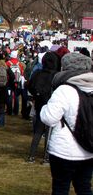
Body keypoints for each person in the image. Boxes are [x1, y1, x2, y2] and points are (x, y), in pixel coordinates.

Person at [40, 53, 93, 194]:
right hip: (89, 149)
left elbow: (49, 118)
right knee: (84, 187)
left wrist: (45, 107)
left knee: (61, 188)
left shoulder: (64, 90)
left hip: (64, 150)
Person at [27, 52, 60, 164]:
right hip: (52, 105)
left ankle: (31, 156)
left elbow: (30, 86)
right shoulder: (57, 75)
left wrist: (37, 96)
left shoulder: (37, 73)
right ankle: (46, 157)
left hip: (40, 105)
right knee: (49, 132)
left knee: (38, 131)